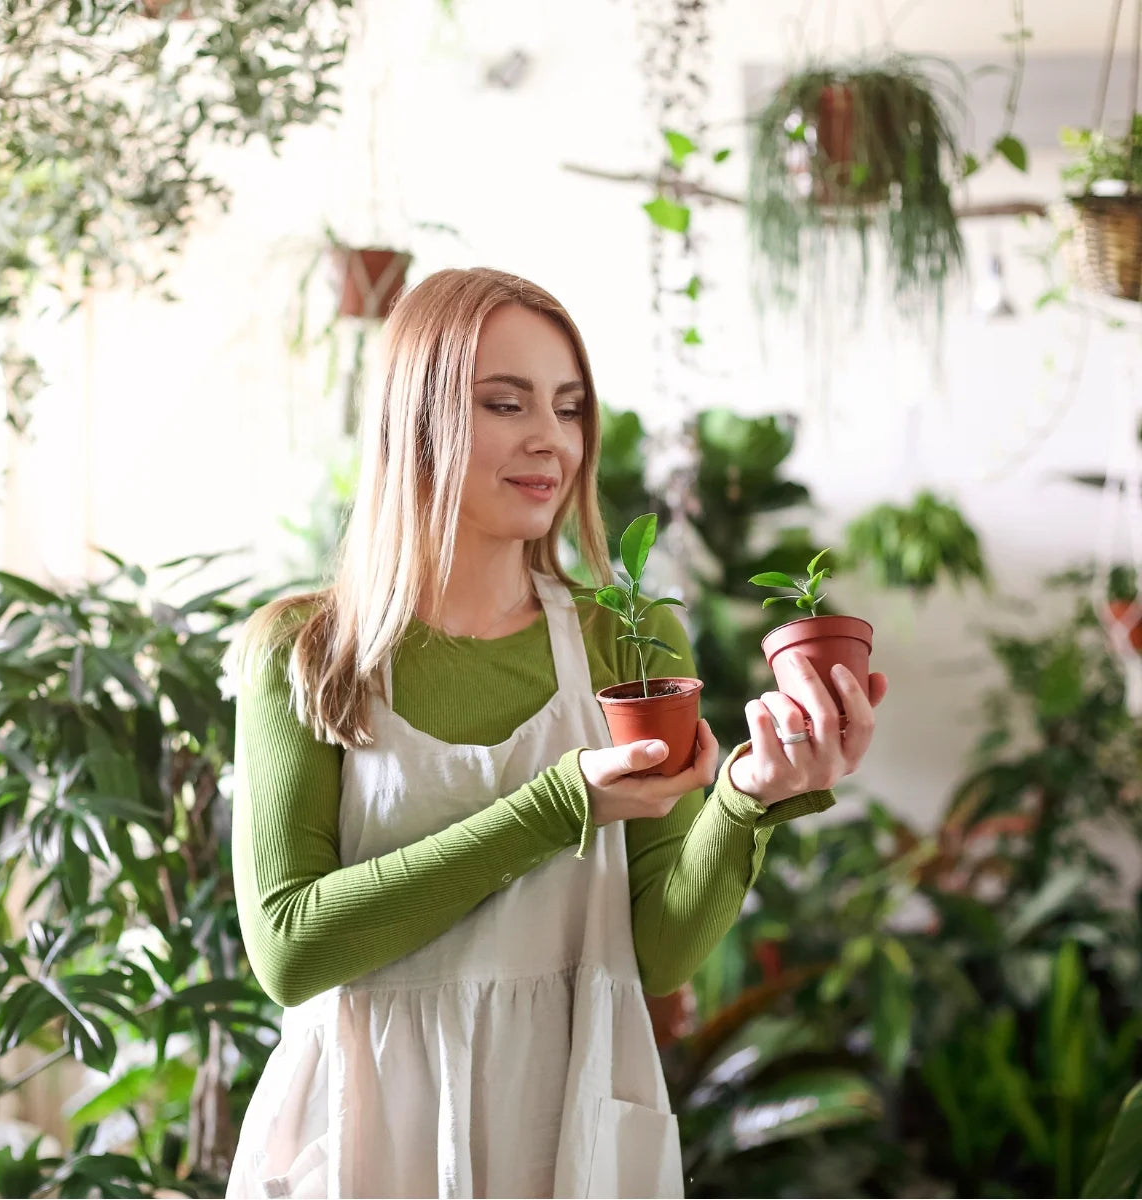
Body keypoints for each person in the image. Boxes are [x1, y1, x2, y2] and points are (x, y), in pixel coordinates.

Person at [223, 267, 888, 1199]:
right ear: (415, 422)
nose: (551, 440)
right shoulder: (309, 652)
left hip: (565, 1123)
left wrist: (749, 799)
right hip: (365, 1130)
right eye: (506, 403)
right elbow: (291, 952)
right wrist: (560, 803)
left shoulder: (629, 638)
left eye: (570, 408)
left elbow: (657, 949)